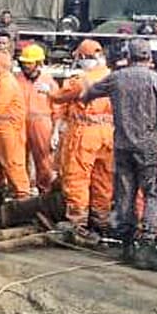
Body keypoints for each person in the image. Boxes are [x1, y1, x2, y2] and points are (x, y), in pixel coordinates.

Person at [83, 38, 157, 266]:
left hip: (122, 145)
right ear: (148, 57)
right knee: (154, 195)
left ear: (129, 55)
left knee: (125, 195)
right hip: (151, 147)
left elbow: (90, 93)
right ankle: (146, 246)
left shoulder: (117, 78)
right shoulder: (155, 80)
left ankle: (126, 246)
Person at [52, 39, 116, 240]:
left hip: (85, 132)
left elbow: (59, 97)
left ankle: (77, 222)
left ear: (81, 57)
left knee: (77, 176)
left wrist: (49, 91)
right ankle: (100, 221)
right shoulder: (112, 76)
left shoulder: (81, 80)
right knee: (103, 179)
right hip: (108, 134)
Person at [0, 50, 32, 201]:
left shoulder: (7, 83)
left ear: (2, 66)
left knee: (13, 163)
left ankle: (22, 196)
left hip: (8, 130)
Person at [15, 43, 59, 194]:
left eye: (29, 62)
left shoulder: (49, 82)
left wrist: (55, 132)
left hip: (42, 124)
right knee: (19, 159)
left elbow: (58, 109)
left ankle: (45, 191)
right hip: (20, 123)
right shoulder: (17, 79)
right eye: (24, 62)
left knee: (45, 161)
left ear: (39, 63)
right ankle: (23, 191)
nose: (26, 65)